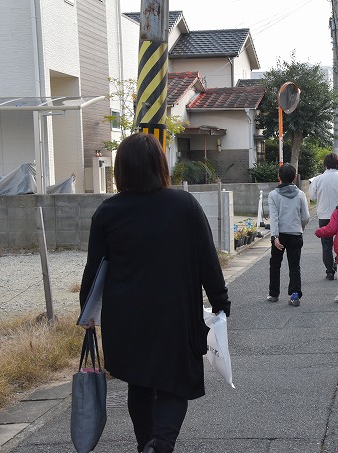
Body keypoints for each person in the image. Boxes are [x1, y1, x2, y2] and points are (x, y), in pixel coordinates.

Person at [79, 133, 231, 453]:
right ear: (160, 165)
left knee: (140, 381)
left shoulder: (107, 212)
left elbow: (93, 272)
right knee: (175, 382)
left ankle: (146, 445)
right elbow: (207, 260)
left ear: (121, 170)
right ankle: (159, 444)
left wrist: (87, 315)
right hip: (174, 313)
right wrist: (220, 302)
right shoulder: (183, 205)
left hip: (125, 317)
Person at [267, 163, 310, 306]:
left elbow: (274, 217)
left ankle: (274, 294)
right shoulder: (300, 194)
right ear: (295, 177)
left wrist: (275, 236)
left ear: (279, 177)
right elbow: (306, 216)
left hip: (280, 235)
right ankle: (295, 295)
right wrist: (300, 228)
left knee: (275, 264)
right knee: (294, 265)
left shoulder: (273, 195)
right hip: (296, 234)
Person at [309, 153, 338, 280]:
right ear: (337, 164)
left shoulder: (317, 179)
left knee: (326, 244)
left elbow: (312, 197)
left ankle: (329, 271)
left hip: (324, 215)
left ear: (325, 165)